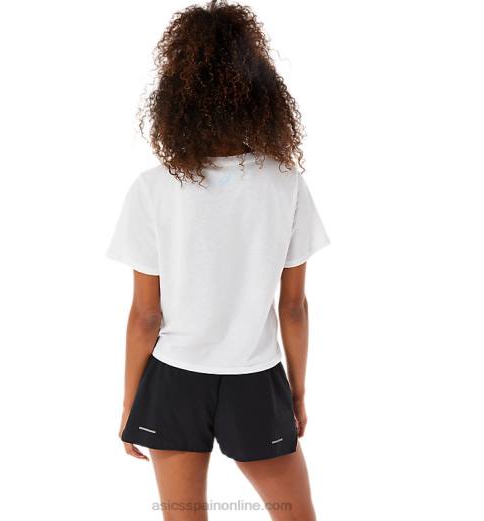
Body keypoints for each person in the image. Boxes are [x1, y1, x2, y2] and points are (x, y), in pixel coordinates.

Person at [106, 1, 329, 519]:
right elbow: (293, 307)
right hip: (256, 375)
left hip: (174, 379)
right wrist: (296, 393)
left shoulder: (154, 188)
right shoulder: (285, 184)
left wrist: (131, 401)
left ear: (176, 94)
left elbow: (146, 315)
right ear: (259, 90)